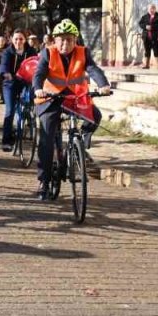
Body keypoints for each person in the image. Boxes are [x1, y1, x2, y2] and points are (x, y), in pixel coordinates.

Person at [32, 19, 112, 201]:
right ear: (54, 40)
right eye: (61, 39)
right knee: (46, 138)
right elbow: (39, 74)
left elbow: (93, 69)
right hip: (50, 98)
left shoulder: (83, 52)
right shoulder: (47, 53)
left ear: (76, 40)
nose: (65, 43)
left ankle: (80, 143)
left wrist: (103, 84)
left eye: (69, 39)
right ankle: (43, 181)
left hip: (74, 98)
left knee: (95, 116)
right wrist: (38, 88)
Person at [0, 29, 35, 152]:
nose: (18, 41)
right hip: (11, 83)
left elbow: (37, 63)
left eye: (21, 39)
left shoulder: (30, 51)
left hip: (25, 82)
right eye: (16, 39)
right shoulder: (8, 52)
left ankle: (29, 120)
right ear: (11, 40)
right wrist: (6, 74)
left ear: (25, 40)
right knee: (10, 110)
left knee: (30, 101)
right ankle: (6, 140)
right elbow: (3, 65)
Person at [137, 3, 158, 70]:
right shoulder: (145, 16)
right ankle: (146, 65)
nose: (151, 10)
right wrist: (145, 26)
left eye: (152, 8)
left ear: (155, 9)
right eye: (150, 9)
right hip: (146, 37)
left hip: (155, 37)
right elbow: (140, 23)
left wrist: (152, 27)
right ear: (148, 9)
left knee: (156, 51)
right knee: (147, 51)